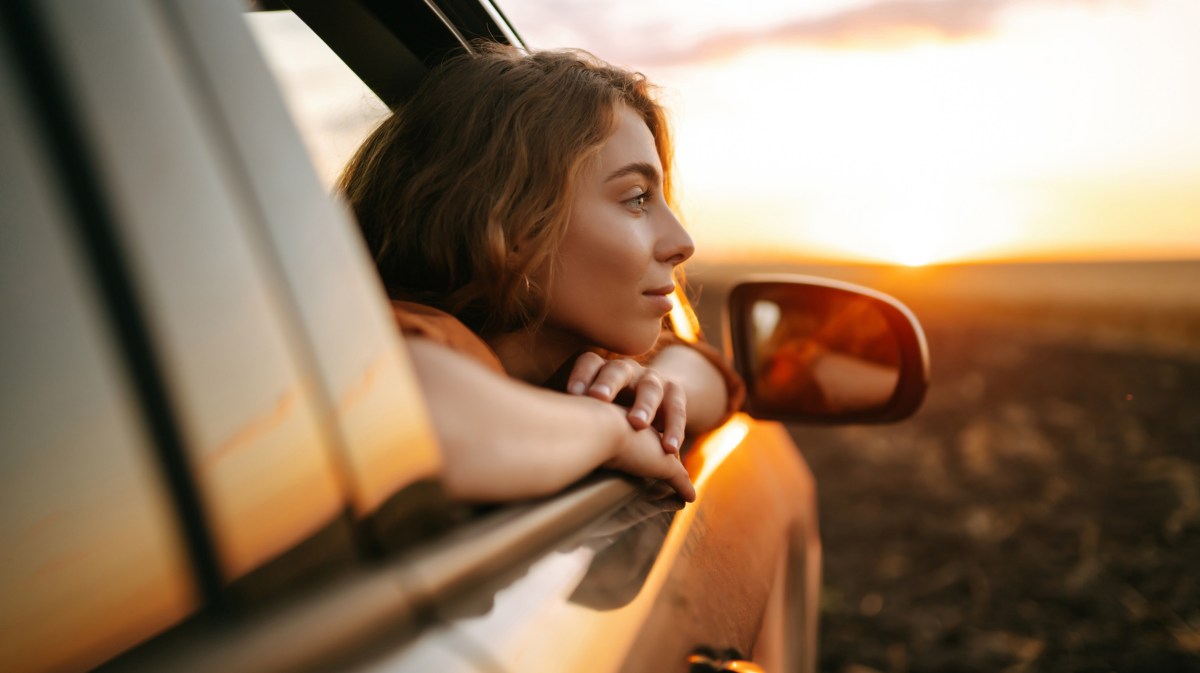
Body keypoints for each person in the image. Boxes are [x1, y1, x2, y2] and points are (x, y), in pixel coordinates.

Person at [339, 43, 743, 504]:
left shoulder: (572, 362)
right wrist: (612, 431)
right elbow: (411, 417)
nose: (683, 243)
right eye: (636, 198)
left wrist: (663, 389)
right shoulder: (425, 337)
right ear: (513, 227)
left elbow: (710, 373)